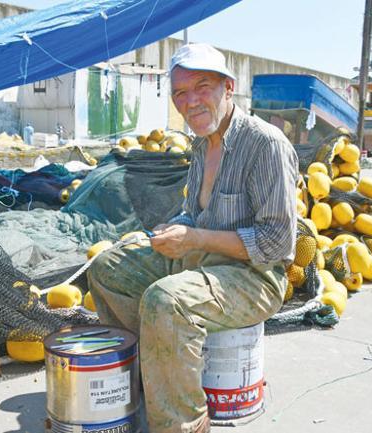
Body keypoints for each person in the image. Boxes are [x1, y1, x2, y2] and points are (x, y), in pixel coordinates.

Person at [87, 43, 298, 433]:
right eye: (181, 93)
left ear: (228, 87)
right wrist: (170, 230)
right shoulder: (202, 145)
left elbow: (276, 243)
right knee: (108, 267)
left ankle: (182, 424)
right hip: (202, 260)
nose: (191, 101)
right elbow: (196, 215)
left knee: (166, 301)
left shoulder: (265, 144)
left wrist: (196, 237)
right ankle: (153, 379)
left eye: (202, 86)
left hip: (254, 278)